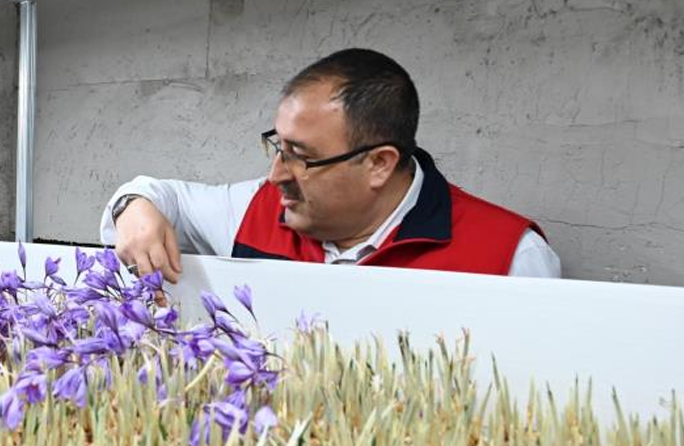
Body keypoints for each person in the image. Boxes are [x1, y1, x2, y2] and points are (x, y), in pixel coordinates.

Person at [100, 48, 561, 282]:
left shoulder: (509, 257)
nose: (276, 175)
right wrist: (133, 207)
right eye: (278, 147)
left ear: (379, 164)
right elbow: (158, 196)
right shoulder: (255, 212)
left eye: (301, 157)